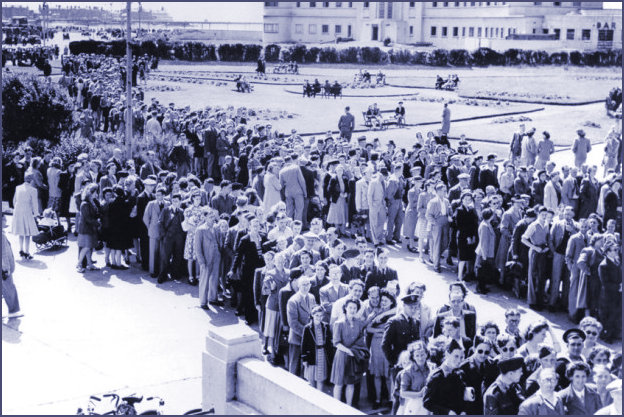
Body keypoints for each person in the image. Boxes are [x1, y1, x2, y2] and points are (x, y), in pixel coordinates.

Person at [331, 298, 367, 406]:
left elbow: (361, 339)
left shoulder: (359, 323)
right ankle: (336, 409)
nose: (352, 310)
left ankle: (349, 407)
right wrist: (347, 350)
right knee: (339, 383)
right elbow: (336, 342)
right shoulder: (339, 323)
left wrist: (354, 351)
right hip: (341, 356)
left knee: (350, 384)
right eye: (350, 307)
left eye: (354, 308)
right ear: (345, 308)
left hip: (353, 356)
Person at [424, 338, 471, 415]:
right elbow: (427, 403)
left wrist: (464, 410)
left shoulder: (460, 373)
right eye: (456, 356)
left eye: (461, 357)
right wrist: (447, 412)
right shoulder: (436, 376)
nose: (459, 360)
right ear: (447, 354)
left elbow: (463, 398)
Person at [366, 289, 396, 408]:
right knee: (377, 375)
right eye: (382, 300)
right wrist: (380, 330)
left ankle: (389, 399)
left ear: (391, 302)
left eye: (386, 301)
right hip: (376, 344)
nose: (383, 302)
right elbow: (368, 328)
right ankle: (377, 400)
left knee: (388, 375)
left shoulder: (395, 313)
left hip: (389, 345)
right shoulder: (375, 312)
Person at [286, 276, 317, 377]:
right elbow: (293, 323)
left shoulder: (312, 297)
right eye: (303, 284)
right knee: (295, 365)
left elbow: (314, 314)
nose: (306, 287)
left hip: (309, 337)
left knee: (306, 364)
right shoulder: (293, 301)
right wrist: (307, 333)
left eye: (308, 284)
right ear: (298, 285)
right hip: (297, 337)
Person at [301, 305, 333, 390]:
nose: (319, 317)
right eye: (317, 315)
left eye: (321, 315)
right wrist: (304, 359)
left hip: (322, 354)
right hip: (312, 355)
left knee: (320, 378)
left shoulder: (326, 326)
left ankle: (320, 395)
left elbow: (329, 342)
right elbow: (304, 344)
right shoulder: (308, 328)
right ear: (312, 315)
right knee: (311, 378)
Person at [195, 208, 221, 308]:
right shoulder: (200, 229)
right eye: (210, 217)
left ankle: (213, 298)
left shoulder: (216, 228)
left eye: (213, 216)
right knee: (204, 280)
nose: (212, 219)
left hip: (216, 257)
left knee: (214, 278)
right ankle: (203, 301)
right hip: (206, 258)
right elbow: (197, 247)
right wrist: (201, 261)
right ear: (205, 217)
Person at [11, 173, 40, 260]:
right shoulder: (33, 190)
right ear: (31, 180)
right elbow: (35, 203)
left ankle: (21, 250)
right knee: (27, 232)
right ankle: (27, 252)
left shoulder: (18, 187)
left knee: (21, 231)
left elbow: (14, 200)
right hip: (27, 210)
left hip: (18, 210)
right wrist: (36, 214)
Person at [597, 240, 621, 343]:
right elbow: (605, 283)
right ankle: (606, 336)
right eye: (614, 250)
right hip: (608, 295)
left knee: (615, 314)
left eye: (617, 249)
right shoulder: (604, 265)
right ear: (607, 252)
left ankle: (612, 333)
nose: (616, 251)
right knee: (607, 316)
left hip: (616, 293)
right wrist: (619, 287)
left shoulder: (616, 261)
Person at [398, 341, 430, 415]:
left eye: (422, 355)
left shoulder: (432, 367)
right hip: (414, 405)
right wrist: (419, 394)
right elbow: (403, 393)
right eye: (417, 355)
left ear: (426, 354)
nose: (420, 358)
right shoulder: (407, 372)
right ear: (413, 357)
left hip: (430, 404)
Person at [76, 183, 100, 273]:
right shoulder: (85, 204)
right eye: (95, 192)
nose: (96, 194)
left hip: (89, 228)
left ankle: (89, 264)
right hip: (85, 229)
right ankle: (79, 264)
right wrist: (98, 223)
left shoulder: (91, 202)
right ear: (91, 193)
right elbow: (88, 218)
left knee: (89, 247)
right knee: (86, 247)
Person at [2, 213, 23, 318]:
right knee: (9, 288)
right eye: (4, 219)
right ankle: (14, 311)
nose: (6, 220)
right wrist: (5, 269)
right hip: (4, 269)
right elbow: (3, 254)